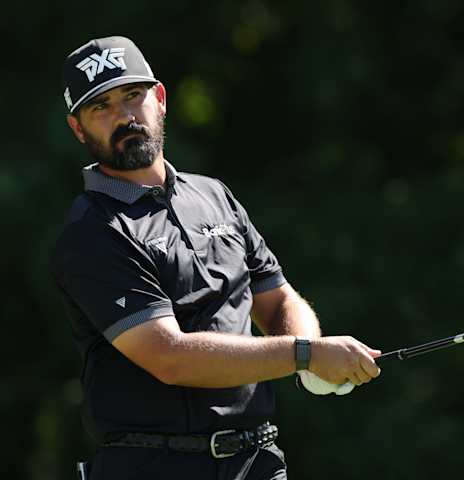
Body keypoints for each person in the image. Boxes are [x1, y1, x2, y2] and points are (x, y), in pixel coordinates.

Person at [50, 36, 381, 480]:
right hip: (153, 466)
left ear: (160, 99)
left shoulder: (214, 195)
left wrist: (310, 364)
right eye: (101, 107)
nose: (125, 116)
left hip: (257, 461)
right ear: (78, 128)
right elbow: (171, 357)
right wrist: (305, 355)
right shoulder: (92, 231)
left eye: (133, 96)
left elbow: (278, 301)